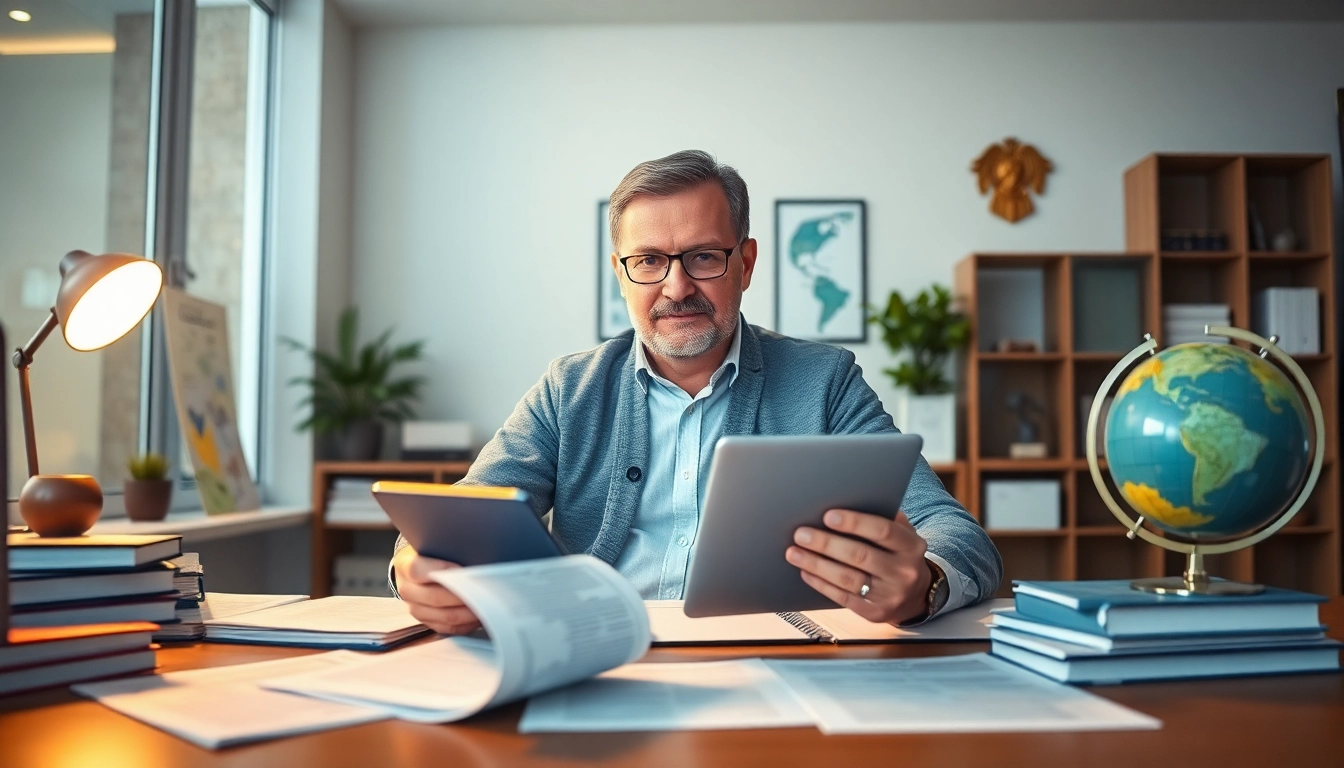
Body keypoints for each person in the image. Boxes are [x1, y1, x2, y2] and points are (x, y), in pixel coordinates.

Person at [391, 150, 1001, 634]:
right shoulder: (566, 389)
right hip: (596, 654)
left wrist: (924, 584)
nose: (676, 287)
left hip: (777, 656)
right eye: (649, 260)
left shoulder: (827, 380)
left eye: (704, 256)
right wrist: (416, 564)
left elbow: (954, 532)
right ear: (620, 274)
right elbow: (468, 512)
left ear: (746, 263)